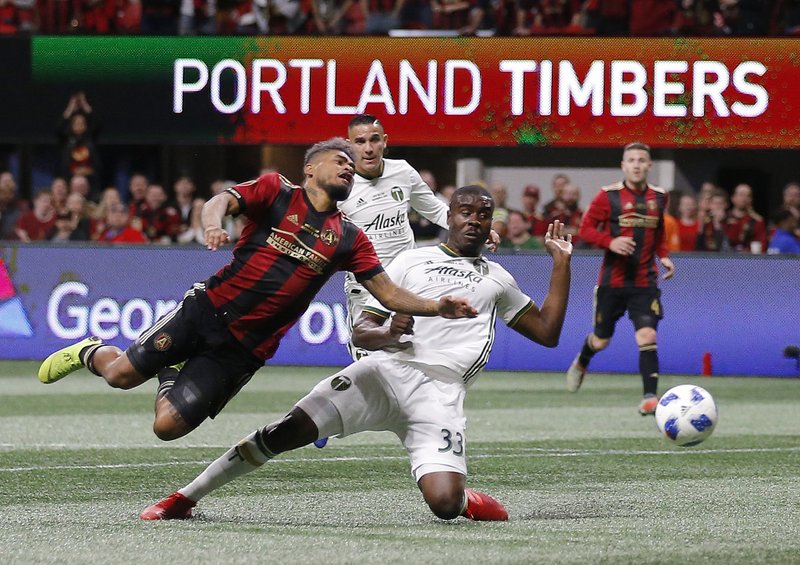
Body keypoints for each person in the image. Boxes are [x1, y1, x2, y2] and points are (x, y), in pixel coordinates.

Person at [139, 185, 573, 522]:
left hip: (440, 394)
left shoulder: (498, 278)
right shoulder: (408, 262)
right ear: (449, 217)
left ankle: (463, 499)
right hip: (380, 372)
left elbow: (549, 333)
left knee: (443, 505)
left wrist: (560, 263)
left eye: (484, 214)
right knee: (284, 432)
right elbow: (362, 330)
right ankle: (184, 498)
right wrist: (387, 332)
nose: (475, 220)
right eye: (465, 212)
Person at [38, 138, 477, 442]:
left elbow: (388, 293)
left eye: (351, 164)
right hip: (207, 310)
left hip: (245, 349)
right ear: (310, 168)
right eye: (338, 159)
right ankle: (89, 350)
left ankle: (170, 370)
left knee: (166, 427)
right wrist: (212, 224)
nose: (348, 166)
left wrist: (437, 306)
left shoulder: (349, 237)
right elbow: (220, 202)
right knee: (119, 376)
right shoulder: (275, 191)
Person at [565, 142, 675, 416]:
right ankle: (583, 359)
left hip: (645, 282)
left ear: (649, 165)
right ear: (623, 166)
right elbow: (586, 229)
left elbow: (659, 231)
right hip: (612, 282)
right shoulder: (608, 196)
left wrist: (663, 256)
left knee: (647, 335)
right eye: (631, 160)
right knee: (602, 340)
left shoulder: (660, 197)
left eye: (641, 160)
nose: (636, 164)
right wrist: (610, 241)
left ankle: (650, 397)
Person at [337, 114, 451, 361]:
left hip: (405, 285)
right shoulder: (339, 185)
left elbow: (435, 209)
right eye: (360, 142)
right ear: (349, 146)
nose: (368, 148)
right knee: (368, 367)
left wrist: (481, 232)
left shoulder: (402, 171)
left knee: (413, 365)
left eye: (374, 140)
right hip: (366, 288)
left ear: (385, 142)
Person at [725, 183, 767, 253]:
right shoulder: (724, 218)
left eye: (748, 196)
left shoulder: (757, 221)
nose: (744, 199)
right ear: (733, 198)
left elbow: (762, 246)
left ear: (751, 200)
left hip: (748, 261)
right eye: (741, 195)